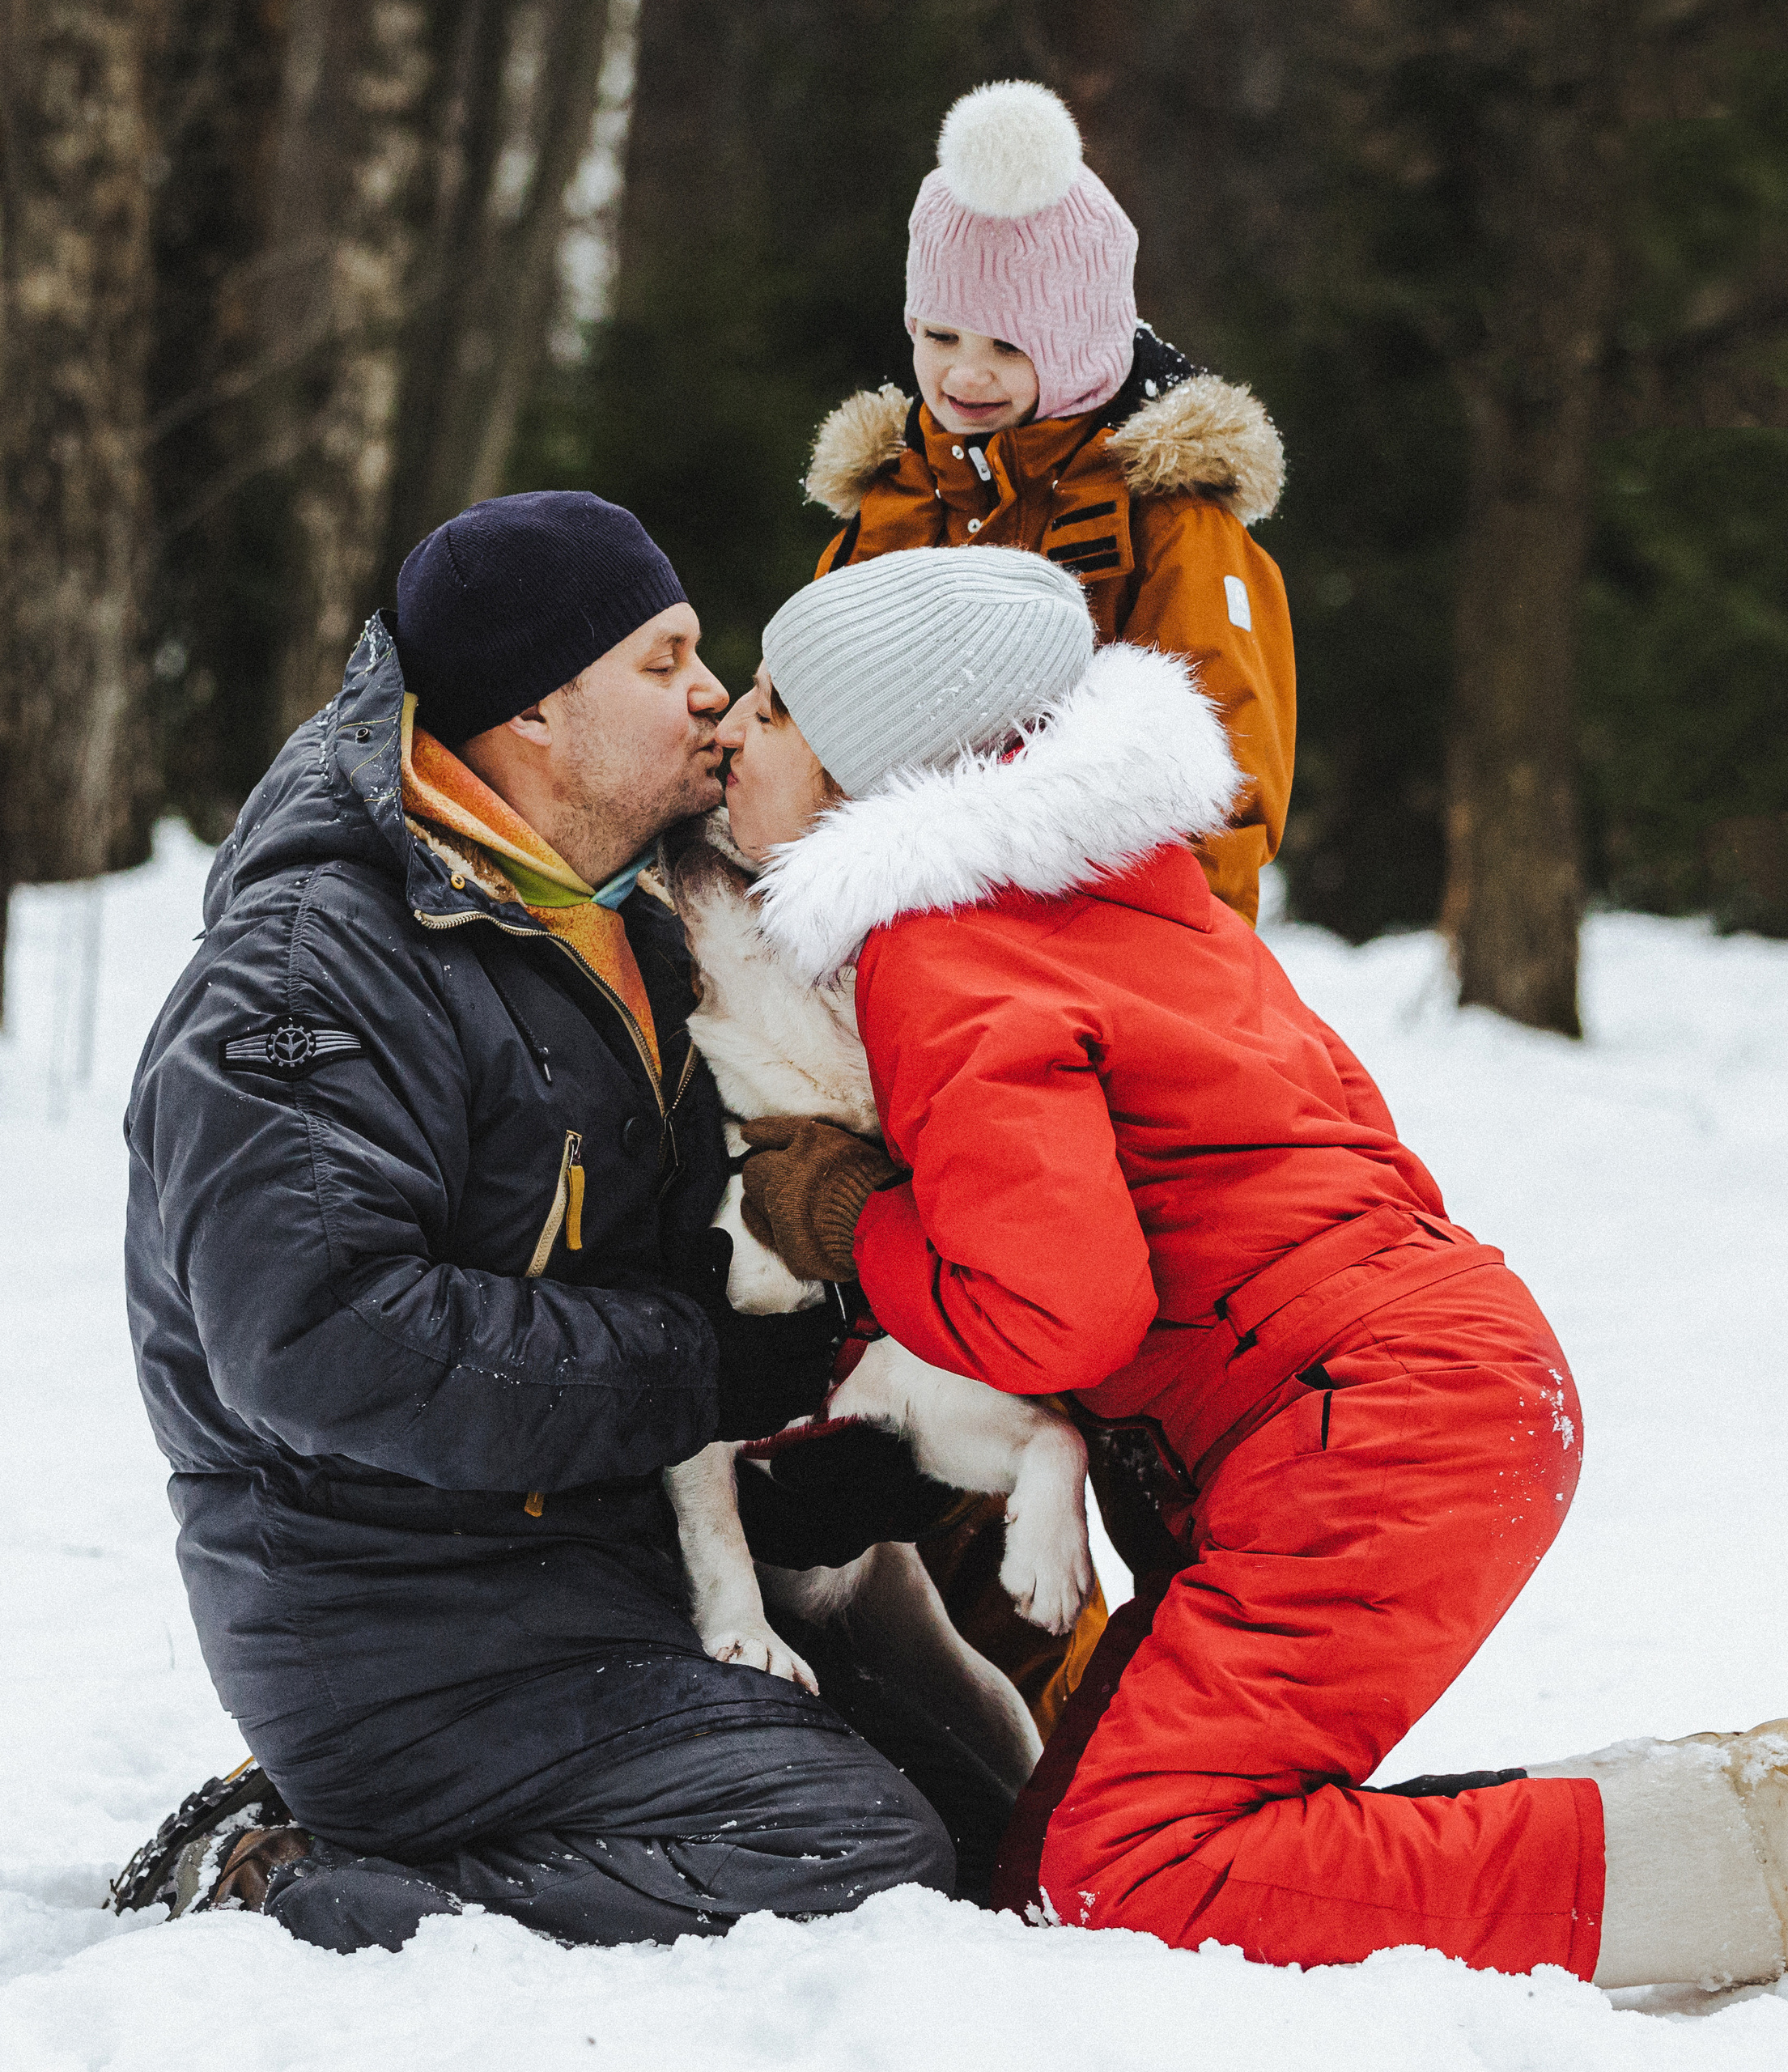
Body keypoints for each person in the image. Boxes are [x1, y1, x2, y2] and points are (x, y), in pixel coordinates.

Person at [718, 542, 1788, 1989]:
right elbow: (1332, 1145)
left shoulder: (942, 948)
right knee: (1049, 1879)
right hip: (1431, 1383)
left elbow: (1056, 1310)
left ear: (872, 764)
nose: (730, 726)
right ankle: (1689, 1831)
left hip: (1362, 1429)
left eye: (777, 707)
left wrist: (848, 1216)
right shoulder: (1140, 896)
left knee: (1124, 1880)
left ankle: (1736, 1864)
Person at [116, 491, 953, 1950]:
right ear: (535, 710)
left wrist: (831, 1430)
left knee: (1003, 1817)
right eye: (663, 660)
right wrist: (699, 1371)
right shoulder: (312, 974)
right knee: (859, 1850)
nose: (712, 693)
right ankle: (298, 1879)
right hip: (400, 1628)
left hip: (585, 1577)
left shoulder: (620, 918)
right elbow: (318, 1338)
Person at [802, 79, 1294, 930]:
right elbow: (810, 718)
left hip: (1093, 936)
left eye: (1007, 346)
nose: (965, 374)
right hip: (891, 931)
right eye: (941, 336)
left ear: (1078, 346)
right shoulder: (899, 494)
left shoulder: (1169, 520)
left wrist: (1180, 956)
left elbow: (1228, 782)